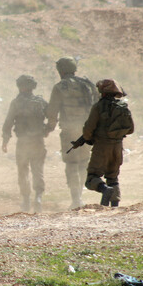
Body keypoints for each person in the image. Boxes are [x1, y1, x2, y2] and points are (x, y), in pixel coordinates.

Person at [45, 57, 98, 208]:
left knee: (71, 163)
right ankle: (80, 195)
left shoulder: (59, 87)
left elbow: (52, 112)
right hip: (87, 130)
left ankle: (75, 199)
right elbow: (97, 105)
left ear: (60, 70)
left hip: (69, 131)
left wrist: (48, 128)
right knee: (83, 162)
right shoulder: (87, 85)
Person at [78, 79, 134, 207]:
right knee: (112, 177)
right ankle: (114, 205)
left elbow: (88, 129)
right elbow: (131, 129)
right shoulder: (123, 107)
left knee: (92, 177)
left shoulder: (98, 106)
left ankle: (104, 189)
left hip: (102, 147)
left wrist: (88, 139)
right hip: (118, 147)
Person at [2, 75, 48, 213]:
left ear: (19, 87)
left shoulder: (16, 103)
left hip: (22, 143)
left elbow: (8, 123)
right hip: (38, 142)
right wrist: (46, 130)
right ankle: (38, 198)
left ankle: (26, 201)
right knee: (37, 170)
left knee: (23, 171)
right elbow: (52, 116)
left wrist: (5, 141)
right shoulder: (41, 102)